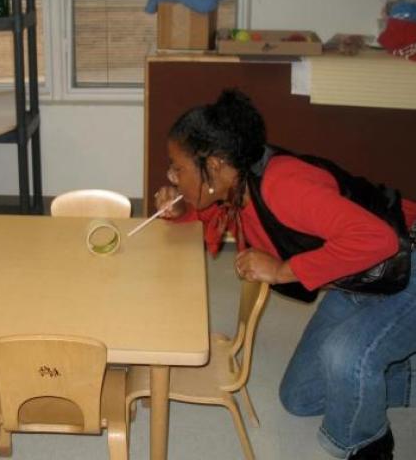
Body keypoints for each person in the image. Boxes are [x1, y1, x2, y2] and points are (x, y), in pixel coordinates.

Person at [155, 89, 416, 460]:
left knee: (345, 357)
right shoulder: (238, 182)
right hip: (358, 275)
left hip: (406, 262)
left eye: (177, 168)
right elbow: (216, 217)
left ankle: (367, 444)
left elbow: (380, 239)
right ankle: (383, 379)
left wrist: (282, 269)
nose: (172, 176)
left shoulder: (282, 185)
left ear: (213, 166)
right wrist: (179, 210)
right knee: (300, 397)